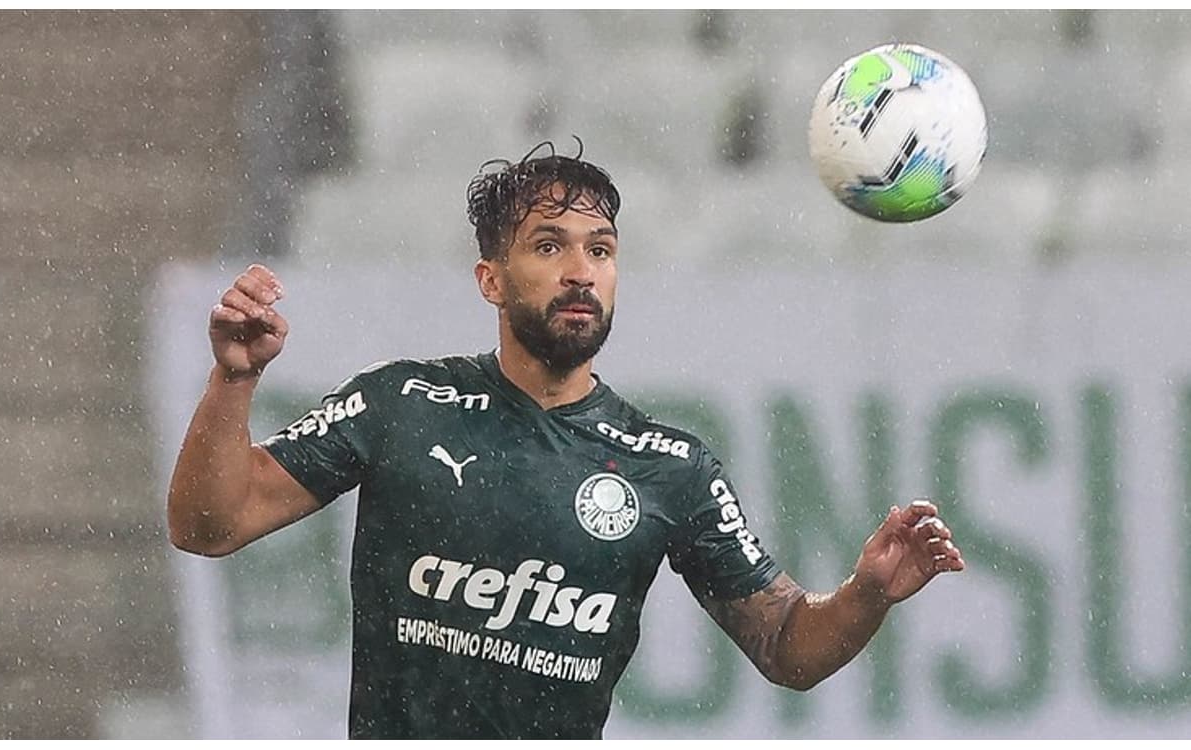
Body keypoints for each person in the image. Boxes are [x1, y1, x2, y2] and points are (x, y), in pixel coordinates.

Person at [167, 141, 965, 739]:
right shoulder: (401, 402)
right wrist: (233, 380)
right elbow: (209, 524)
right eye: (549, 245)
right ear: (492, 278)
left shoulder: (671, 467)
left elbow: (789, 647)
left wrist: (865, 594)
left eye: (601, 249)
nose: (580, 269)